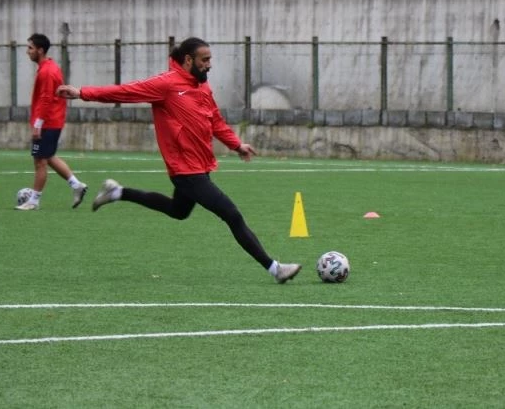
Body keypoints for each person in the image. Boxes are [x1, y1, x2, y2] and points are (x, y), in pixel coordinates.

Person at [56, 37, 301, 284]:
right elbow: (125, 91)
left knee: (178, 211)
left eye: (210, 60)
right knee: (232, 215)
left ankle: (118, 192)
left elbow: (215, 120)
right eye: (205, 60)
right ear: (188, 60)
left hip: (199, 166)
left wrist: (236, 145)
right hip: (185, 170)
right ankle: (275, 269)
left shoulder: (202, 86)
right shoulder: (166, 84)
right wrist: (82, 93)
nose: (209, 65)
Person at [16, 33, 87, 210]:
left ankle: (33, 201)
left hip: (48, 122)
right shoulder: (48, 67)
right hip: (52, 120)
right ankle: (77, 185)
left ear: (40, 50)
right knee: (47, 157)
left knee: (40, 161)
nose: (27, 51)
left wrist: (38, 124)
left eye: (30, 48)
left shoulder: (47, 71)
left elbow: (46, 99)